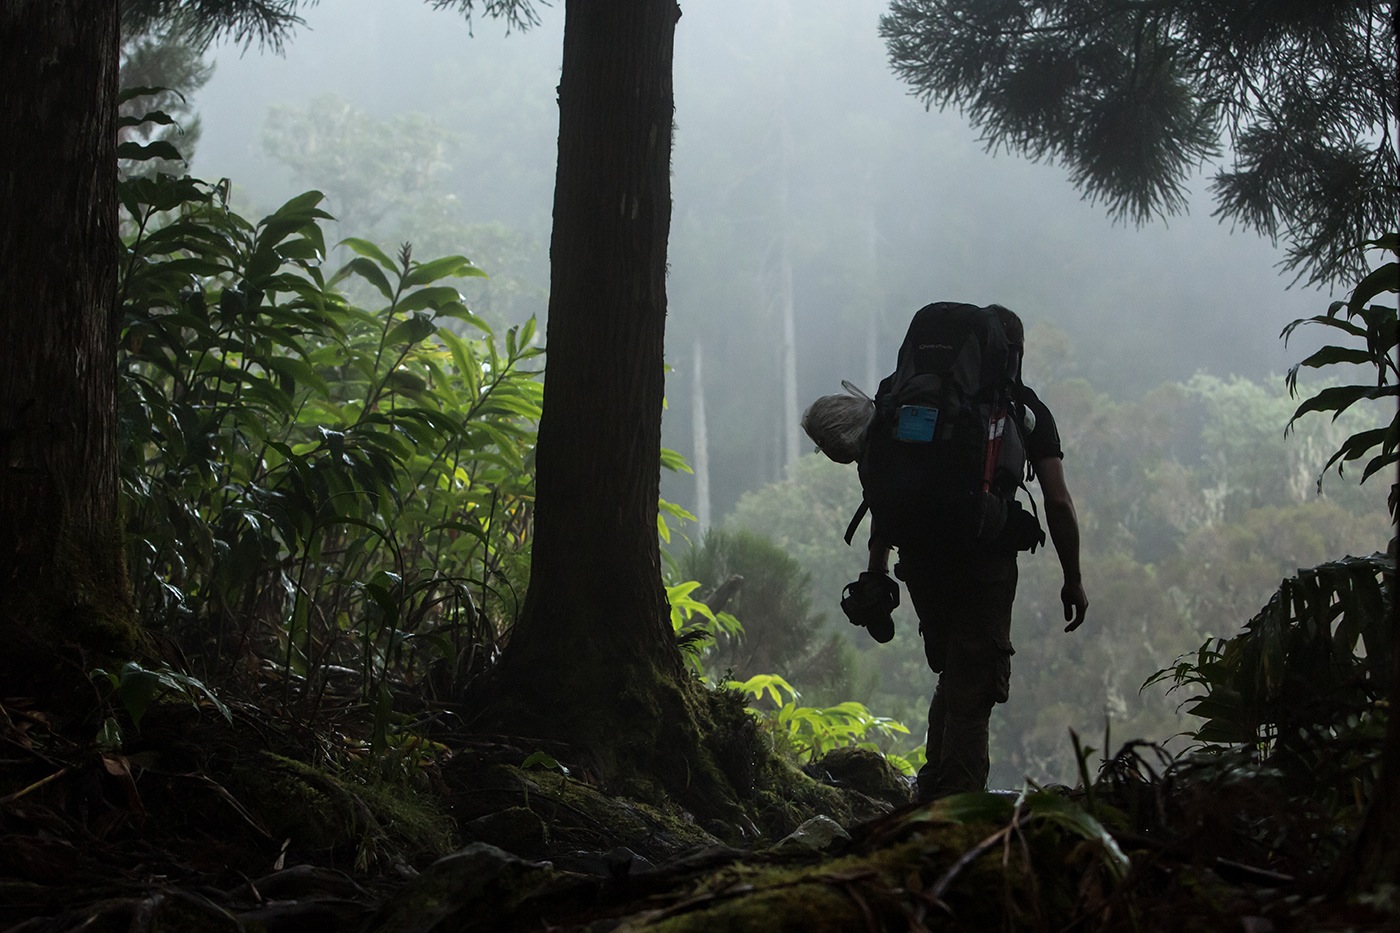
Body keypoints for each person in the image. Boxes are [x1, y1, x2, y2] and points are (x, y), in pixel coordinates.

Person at [865, 304, 1088, 801]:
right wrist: (1072, 578)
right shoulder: (1021, 408)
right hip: (984, 562)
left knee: (955, 672)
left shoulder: (905, 396)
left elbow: (888, 488)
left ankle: (930, 791)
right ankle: (957, 810)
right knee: (974, 686)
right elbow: (1057, 501)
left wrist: (876, 570)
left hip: (920, 559)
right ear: (1013, 353)